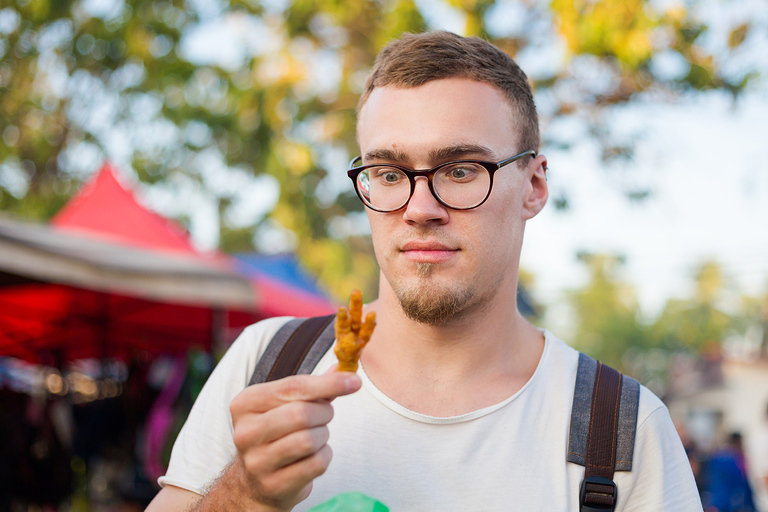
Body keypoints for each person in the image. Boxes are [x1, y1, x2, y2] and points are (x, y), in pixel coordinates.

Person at [146, 31, 702, 511]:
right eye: (388, 173)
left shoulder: (624, 433)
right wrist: (244, 495)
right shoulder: (268, 366)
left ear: (533, 187)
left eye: (461, 169)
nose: (419, 208)